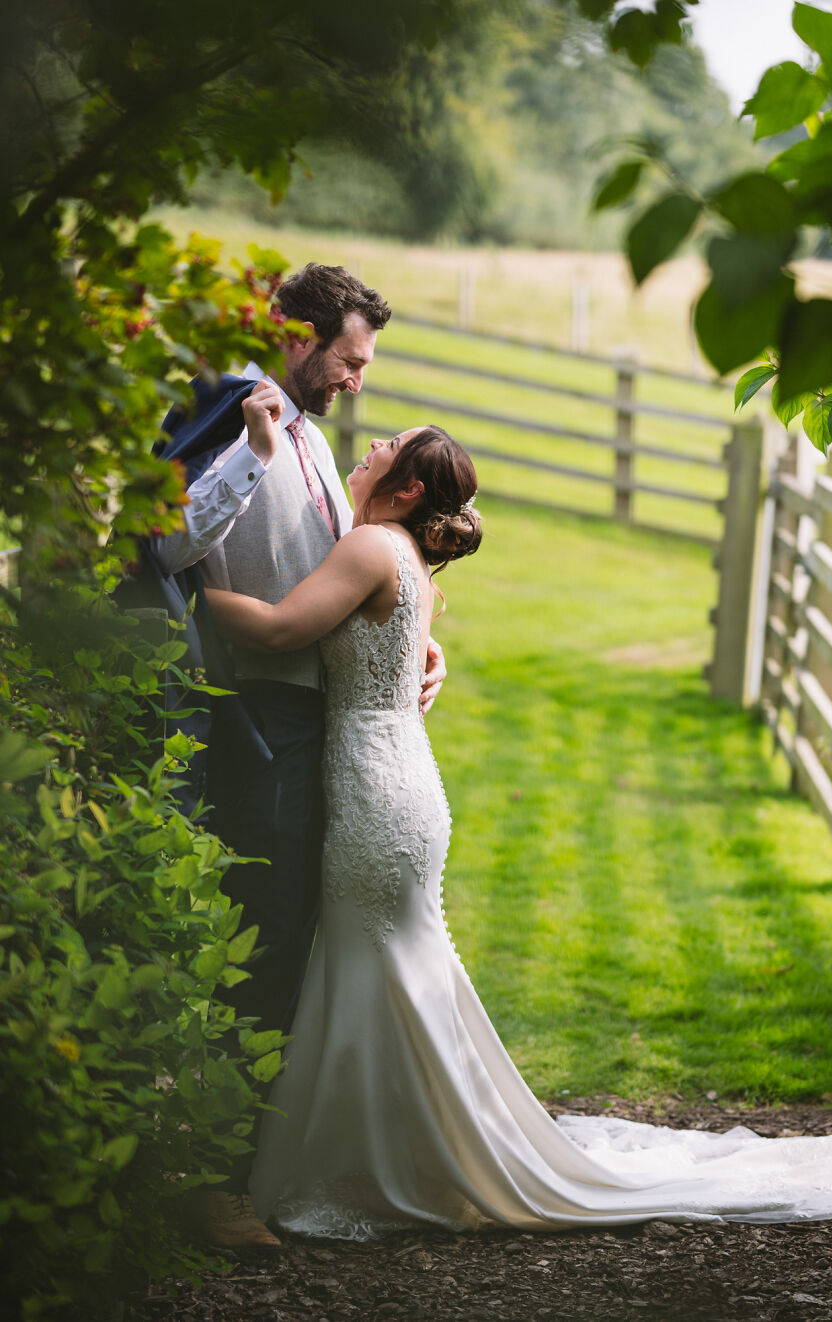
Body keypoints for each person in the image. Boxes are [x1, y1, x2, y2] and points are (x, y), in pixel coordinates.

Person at [206, 424, 832, 1241]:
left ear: (409, 487)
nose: (374, 440)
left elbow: (279, 630)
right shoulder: (395, 551)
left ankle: (386, 1163)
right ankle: (409, 1152)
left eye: (391, 442)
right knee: (388, 973)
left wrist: (184, 582)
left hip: (373, 791)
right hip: (401, 783)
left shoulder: (371, 547)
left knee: (371, 970)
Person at [146, 265, 447, 1251]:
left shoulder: (311, 432)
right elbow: (168, 548)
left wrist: (403, 648)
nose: (356, 380)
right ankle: (215, 1184)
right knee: (265, 944)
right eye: (349, 357)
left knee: (290, 946)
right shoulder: (240, 410)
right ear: (302, 333)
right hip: (259, 715)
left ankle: (264, 1158)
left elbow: (336, 578)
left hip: (320, 717)